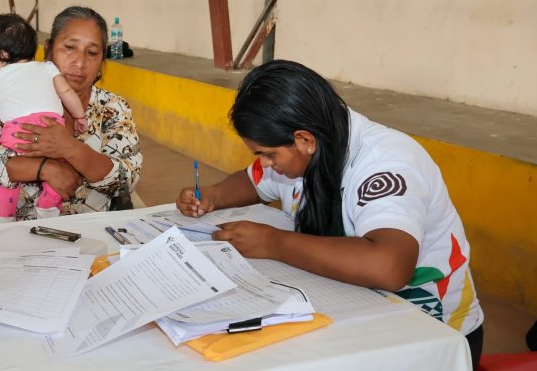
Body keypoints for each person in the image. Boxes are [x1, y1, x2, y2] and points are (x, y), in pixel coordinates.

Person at [175, 60, 484, 368]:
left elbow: (388, 266)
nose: (266, 164)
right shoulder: (308, 147)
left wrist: (273, 243)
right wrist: (212, 195)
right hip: (354, 302)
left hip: (431, 331)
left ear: (305, 140)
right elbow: (253, 181)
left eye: (269, 154)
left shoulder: (386, 164)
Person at [0, 6, 142, 223]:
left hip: (88, 234)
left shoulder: (113, 107)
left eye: (92, 53)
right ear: (48, 50)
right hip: (15, 236)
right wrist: (45, 169)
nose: (79, 63)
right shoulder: (8, 97)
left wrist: (70, 148)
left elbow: (126, 179)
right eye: (69, 48)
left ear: (102, 63)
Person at [0, 13, 89, 222]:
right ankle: (49, 204)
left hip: (18, 132)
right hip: (52, 127)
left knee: (9, 174)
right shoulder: (48, 67)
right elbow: (67, 93)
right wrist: (79, 116)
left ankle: (5, 215)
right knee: (61, 163)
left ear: (3, 55)